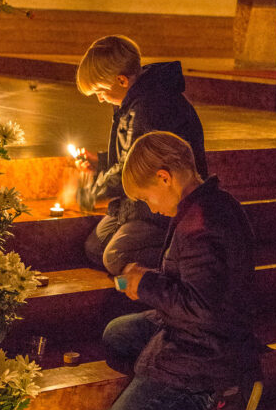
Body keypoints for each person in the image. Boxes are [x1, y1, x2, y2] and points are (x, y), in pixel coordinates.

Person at [99, 131, 262, 410]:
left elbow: (203, 308)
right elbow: (200, 281)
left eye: (147, 198)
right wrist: (148, 277)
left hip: (207, 346)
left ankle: (209, 395)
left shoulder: (201, 226)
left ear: (164, 178)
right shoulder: (211, 203)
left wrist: (145, 285)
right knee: (116, 333)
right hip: (193, 327)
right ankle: (170, 382)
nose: (153, 208)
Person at [75, 35, 207, 276]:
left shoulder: (149, 107)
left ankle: (177, 261)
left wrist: (91, 194)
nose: (100, 98)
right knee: (95, 247)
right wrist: (102, 161)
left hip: (164, 203)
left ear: (122, 80)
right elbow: (129, 154)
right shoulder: (134, 101)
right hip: (137, 200)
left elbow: (136, 168)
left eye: (101, 91)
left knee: (115, 256)